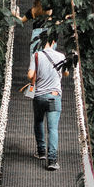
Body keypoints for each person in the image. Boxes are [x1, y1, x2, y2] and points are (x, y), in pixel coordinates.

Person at [29, 31, 65, 171]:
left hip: (39, 96)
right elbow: (66, 73)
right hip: (54, 96)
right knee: (53, 128)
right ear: (55, 42)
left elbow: (30, 75)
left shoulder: (36, 55)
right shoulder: (61, 56)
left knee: (38, 121)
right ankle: (52, 160)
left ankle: (41, 152)